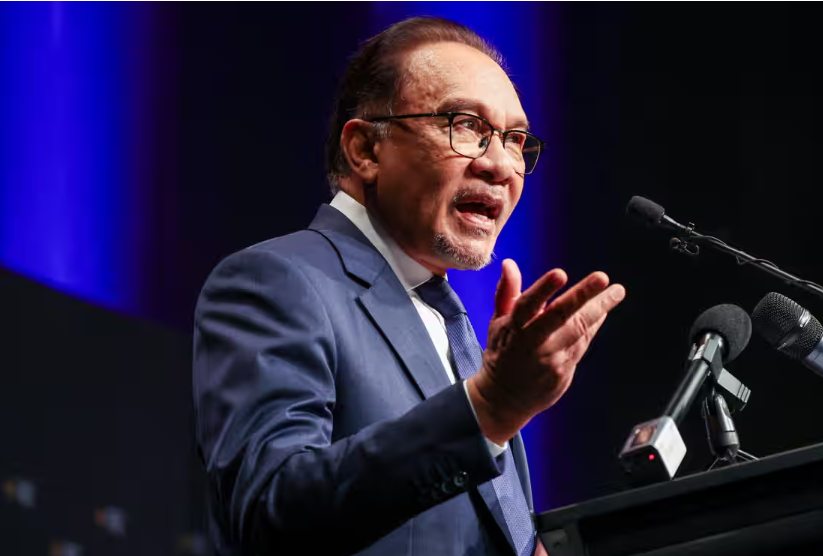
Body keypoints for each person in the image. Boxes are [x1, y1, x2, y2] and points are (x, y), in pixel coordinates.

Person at [192, 16, 626, 556]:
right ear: (366, 150)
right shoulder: (277, 281)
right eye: (466, 125)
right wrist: (487, 408)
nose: (500, 164)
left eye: (514, 139)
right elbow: (269, 513)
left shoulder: (453, 324)